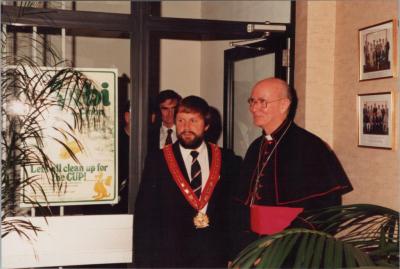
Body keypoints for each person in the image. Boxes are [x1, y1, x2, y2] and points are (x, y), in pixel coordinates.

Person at [232, 78, 353, 250]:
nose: (254, 108)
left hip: (290, 249)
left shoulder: (311, 147)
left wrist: (281, 246)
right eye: (252, 101)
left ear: (284, 105)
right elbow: (241, 205)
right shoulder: (255, 147)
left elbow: (326, 211)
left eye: (262, 102)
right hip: (252, 246)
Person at [134, 95, 242, 268]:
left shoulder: (227, 159)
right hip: (170, 259)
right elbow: (145, 217)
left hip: (214, 257)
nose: (186, 127)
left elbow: (235, 212)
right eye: (181, 121)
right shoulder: (158, 160)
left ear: (206, 125)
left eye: (193, 121)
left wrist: (234, 254)